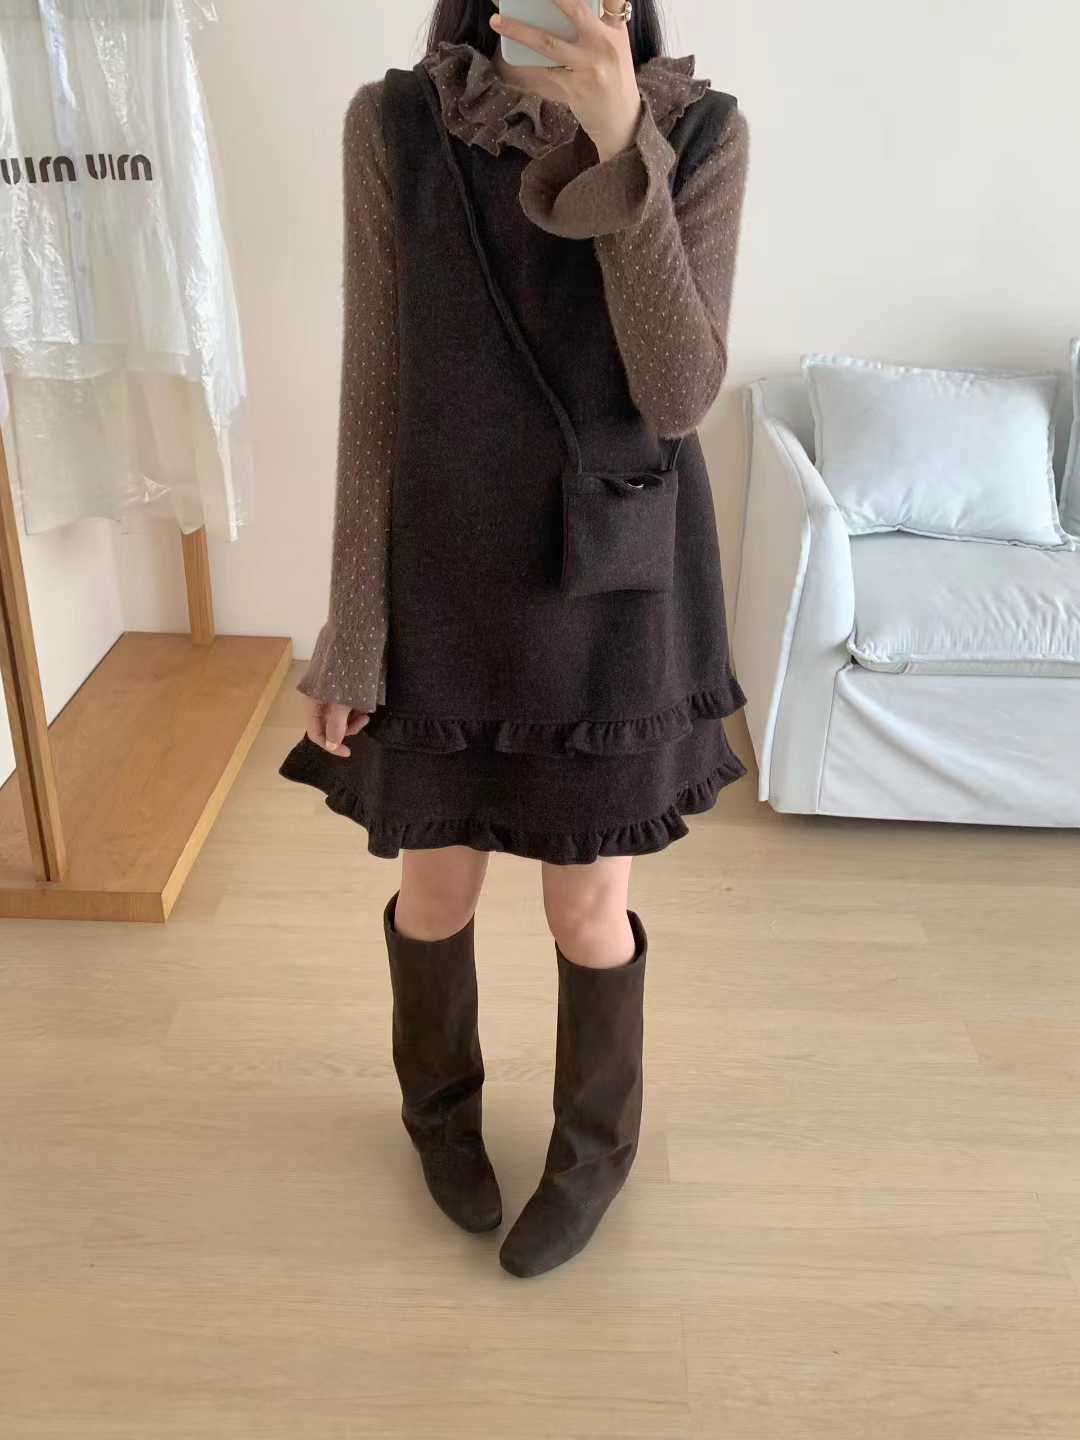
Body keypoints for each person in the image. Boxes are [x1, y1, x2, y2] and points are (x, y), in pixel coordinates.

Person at [278, 0, 751, 1278]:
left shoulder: (704, 133)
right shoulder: (396, 124)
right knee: (437, 886)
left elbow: (678, 394)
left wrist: (622, 143)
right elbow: (375, 391)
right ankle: (439, 1117)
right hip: (443, 580)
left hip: (616, 588)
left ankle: (593, 1153)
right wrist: (353, 629)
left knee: (588, 903)